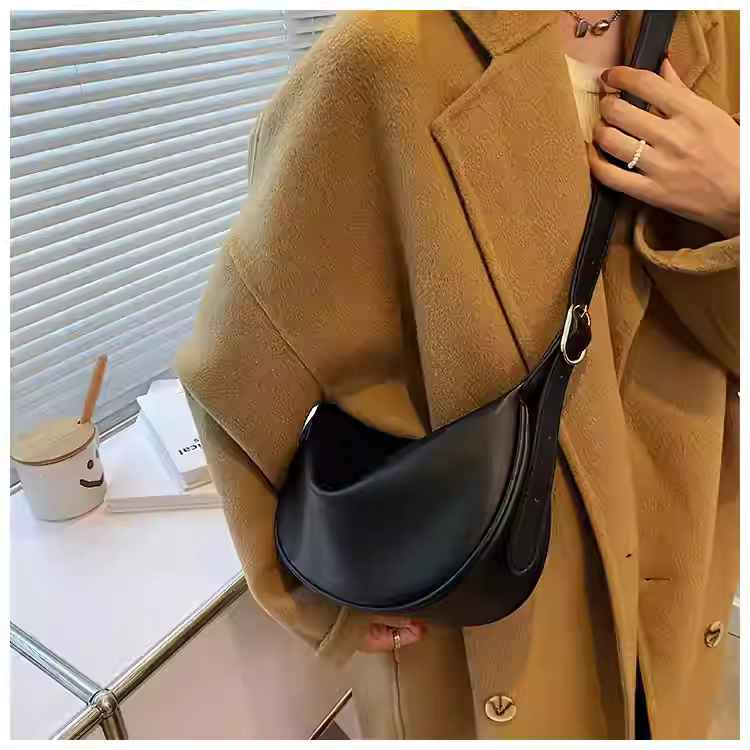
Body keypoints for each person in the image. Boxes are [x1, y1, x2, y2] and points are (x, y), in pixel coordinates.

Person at [176, 10, 739, 740]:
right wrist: (317, 596)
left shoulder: (717, 32)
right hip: (489, 631)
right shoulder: (384, 58)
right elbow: (239, 365)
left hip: (678, 601)